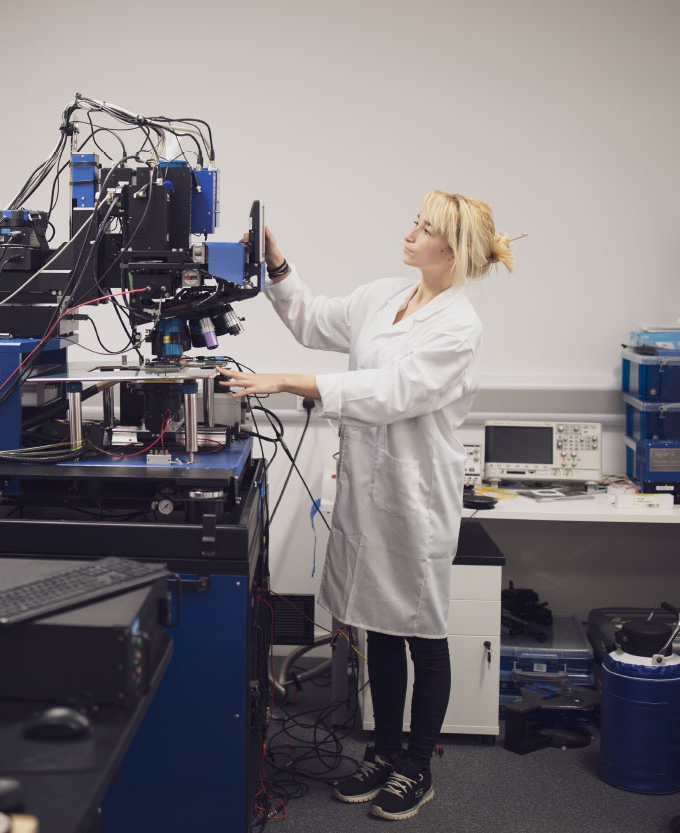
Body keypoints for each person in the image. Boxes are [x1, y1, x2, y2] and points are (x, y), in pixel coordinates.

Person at [217, 190, 515, 822]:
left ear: (453, 250)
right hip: (365, 490)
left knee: (423, 633)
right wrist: (275, 264)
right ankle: (382, 752)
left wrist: (288, 380)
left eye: (425, 228)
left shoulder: (459, 327)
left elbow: (392, 391)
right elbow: (312, 319)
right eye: (415, 221)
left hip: (415, 499)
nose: (410, 233)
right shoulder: (384, 296)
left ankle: (418, 766)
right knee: (376, 625)